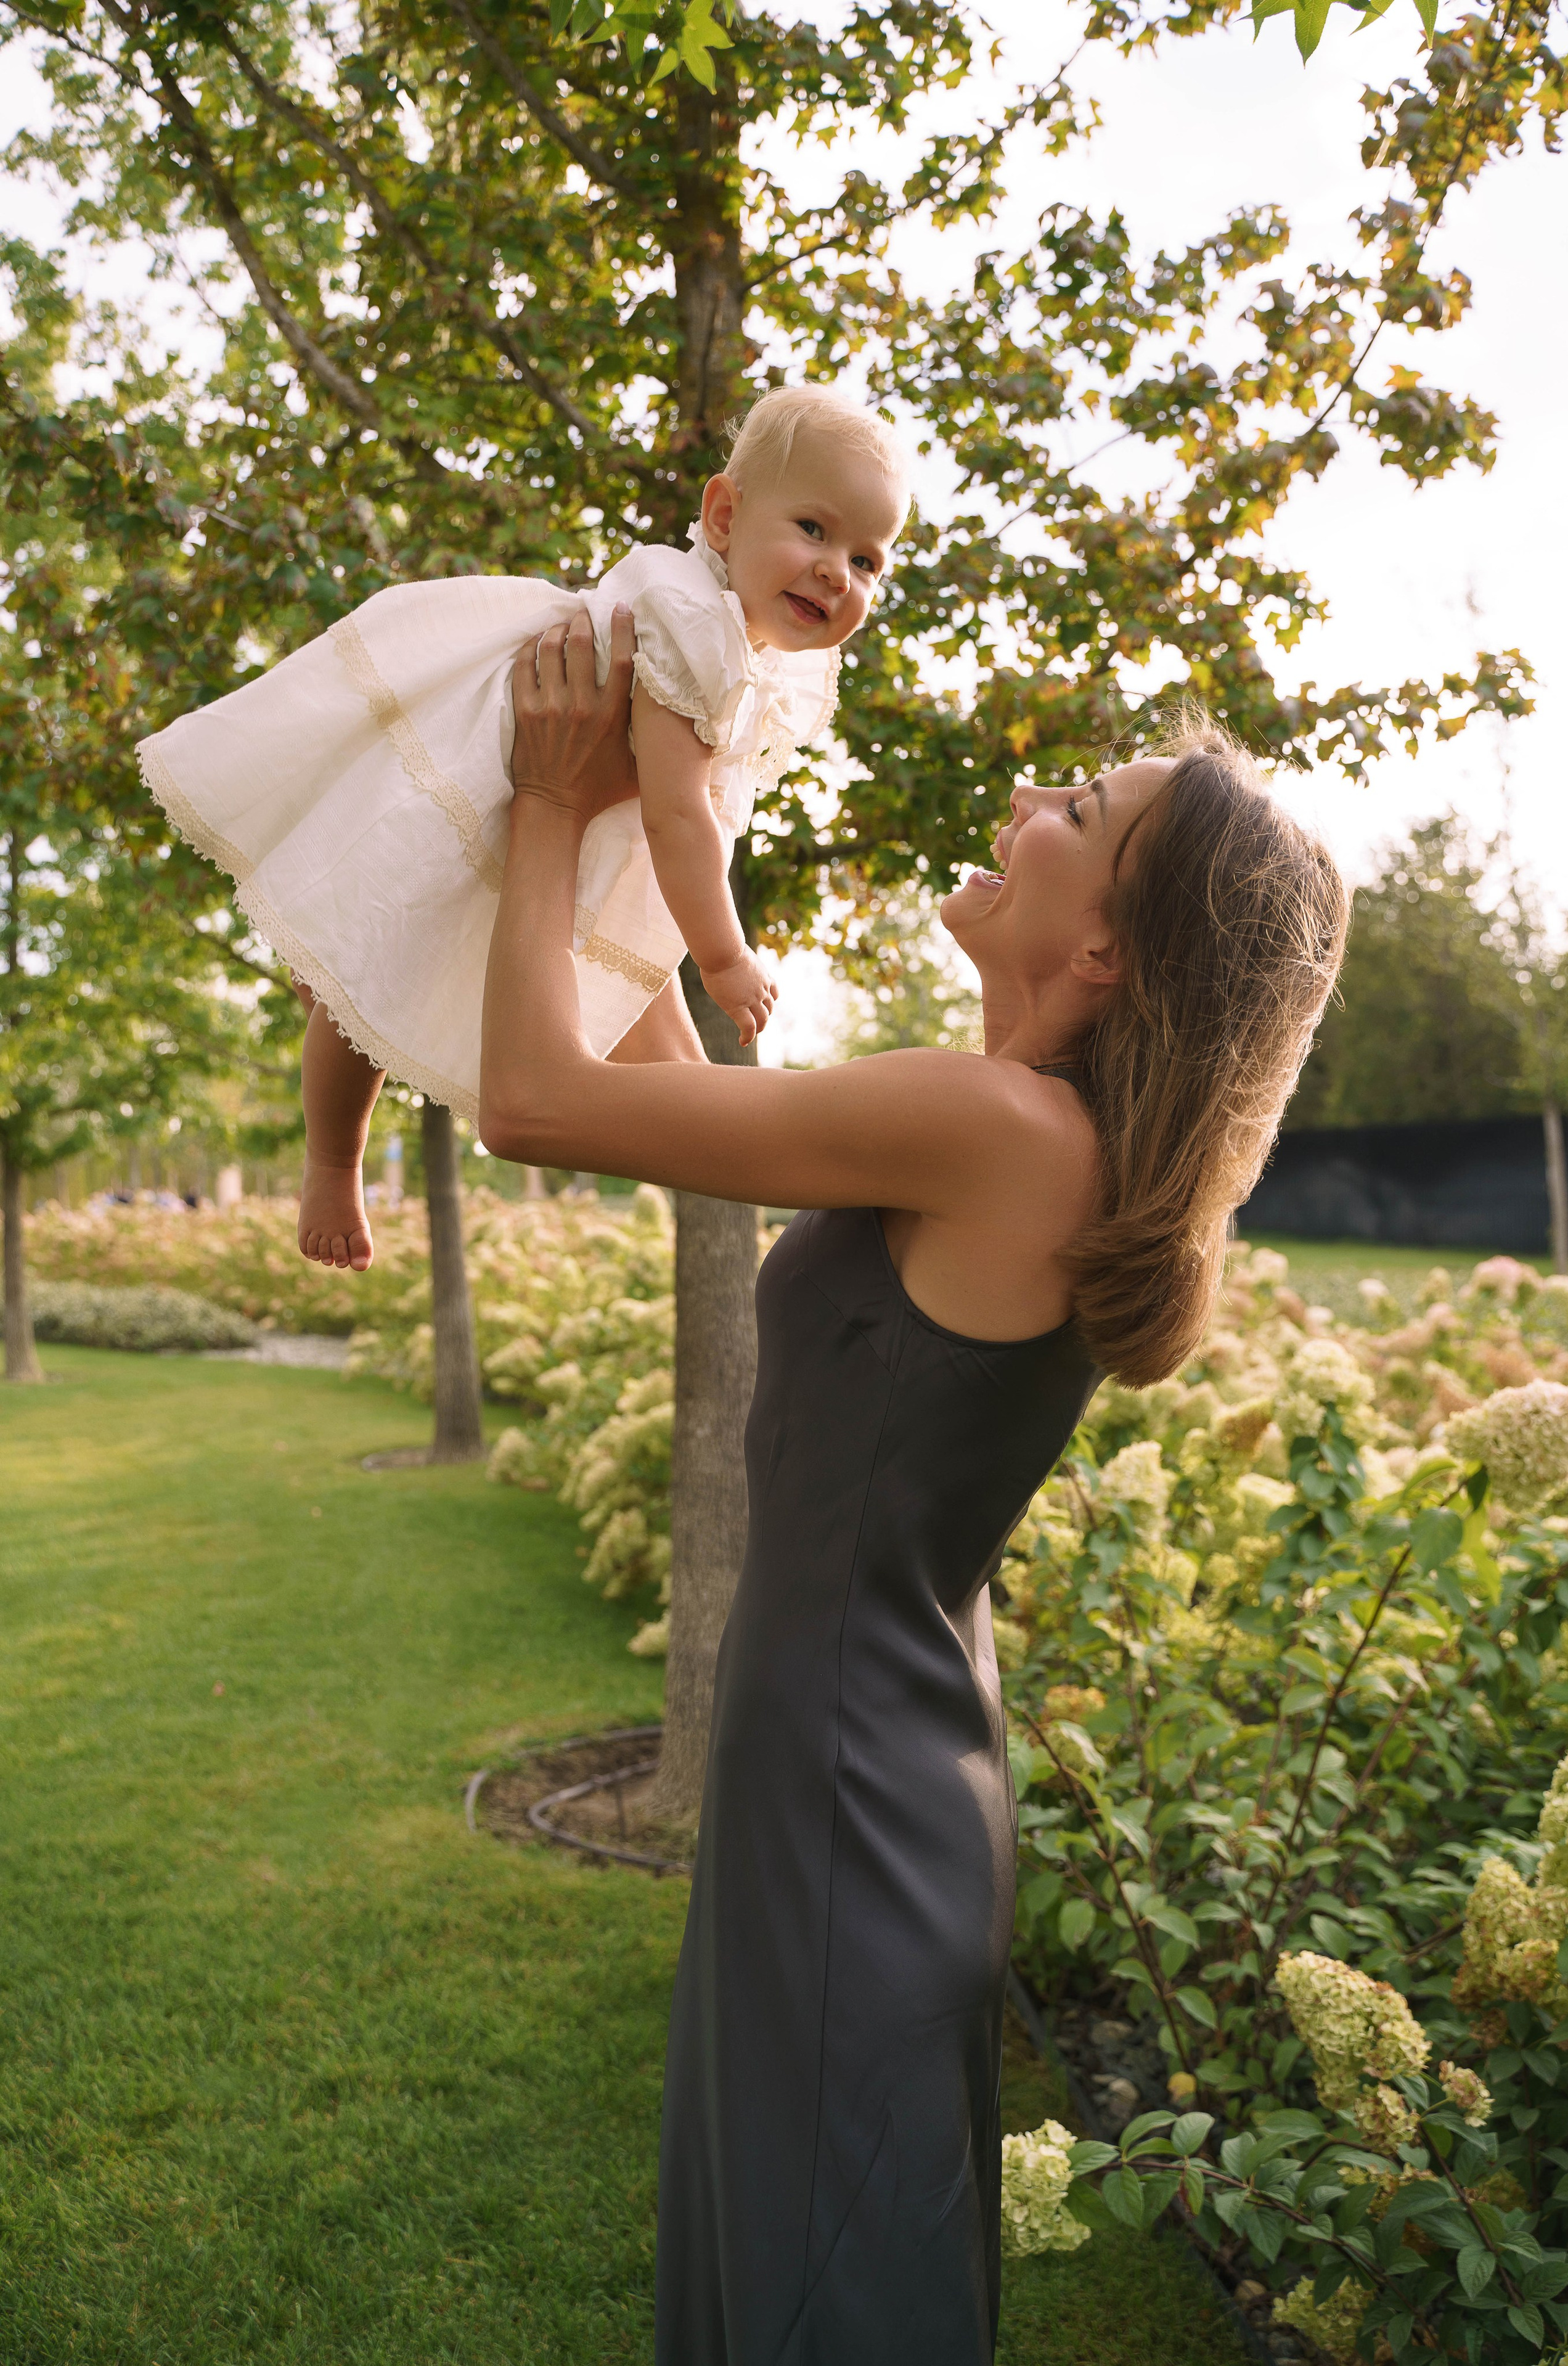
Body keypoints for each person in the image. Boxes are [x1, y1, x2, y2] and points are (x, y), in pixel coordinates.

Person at [480, 612, 1347, 2365]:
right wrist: (643, 829)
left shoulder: (1001, 1132)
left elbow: (529, 1101)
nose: (1028, 789)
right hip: (869, 1759)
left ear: (1105, 942)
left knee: (831, 2284)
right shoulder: (1008, 1124)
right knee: (817, 2245)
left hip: (846, 1779)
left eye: (1078, 801)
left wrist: (535, 812)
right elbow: (667, 1099)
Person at [136, 387, 909, 1273]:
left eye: (867, 559)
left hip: (564, 836)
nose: (835, 572)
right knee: (370, 991)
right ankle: (333, 1162)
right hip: (499, 797)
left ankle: (765, 1177)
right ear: (725, 515)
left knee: (612, 1029)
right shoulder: (695, 625)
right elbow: (679, 815)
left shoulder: (732, 637)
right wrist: (724, 957)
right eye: (813, 529)